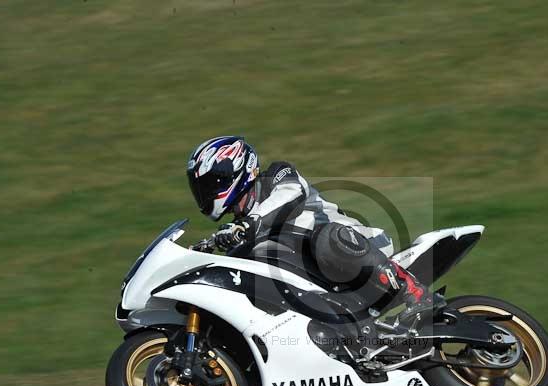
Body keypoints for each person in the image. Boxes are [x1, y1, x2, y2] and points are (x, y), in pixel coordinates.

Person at [186, 135, 443, 324]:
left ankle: (414, 291)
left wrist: (249, 224)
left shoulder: (277, 175)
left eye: (211, 184)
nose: (207, 194)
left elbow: (291, 193)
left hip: (354, 246)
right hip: (321, 282)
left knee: (326, 239)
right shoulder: (241, 229)